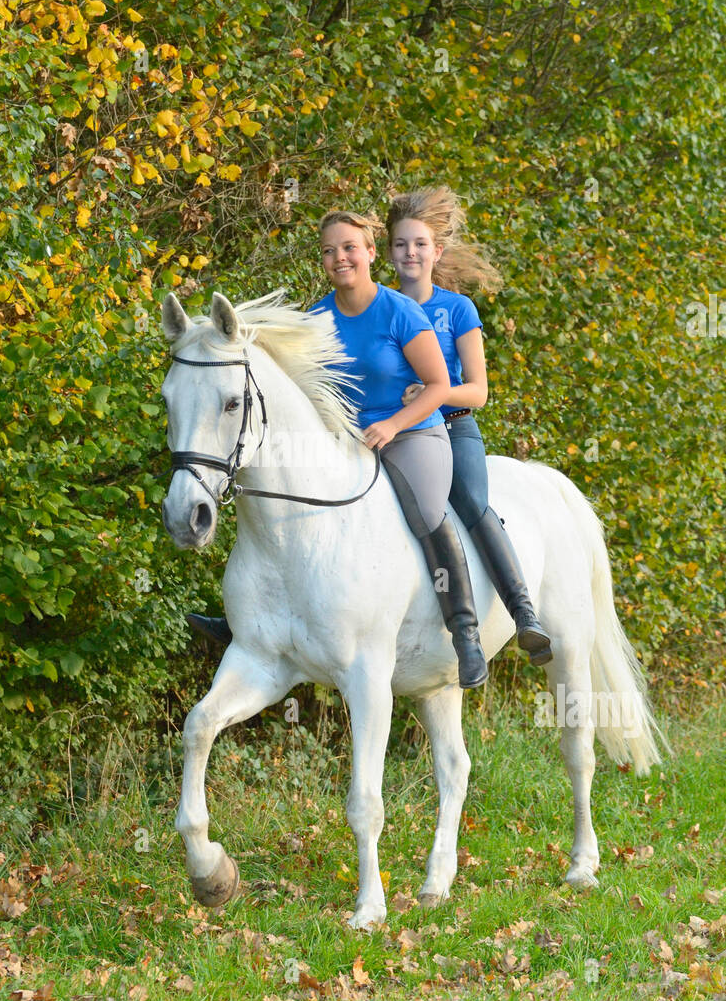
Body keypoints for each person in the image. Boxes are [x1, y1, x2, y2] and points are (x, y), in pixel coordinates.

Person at [186, 209, 489, 688]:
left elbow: (436, 385)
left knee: (428, 512)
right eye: (329, 251)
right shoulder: (317, 318)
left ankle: (466, 633)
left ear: (371, 253)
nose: (338, 258)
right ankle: (249, 618)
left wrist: (392, 425)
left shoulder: (400, 311)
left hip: (411, 433)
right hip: (346, 437)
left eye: (348, 248)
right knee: (270, 492)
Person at [388, 186, 551, 664]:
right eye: (401, 244)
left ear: (437, 251)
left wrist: (432, 393)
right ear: (389, 252)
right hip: (399, 433)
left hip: (453, 427)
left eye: (419, 244)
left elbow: (478, 390)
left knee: (471, 502)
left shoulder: (457, 310)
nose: (410, 252)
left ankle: (524, 615)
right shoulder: (381, 308)